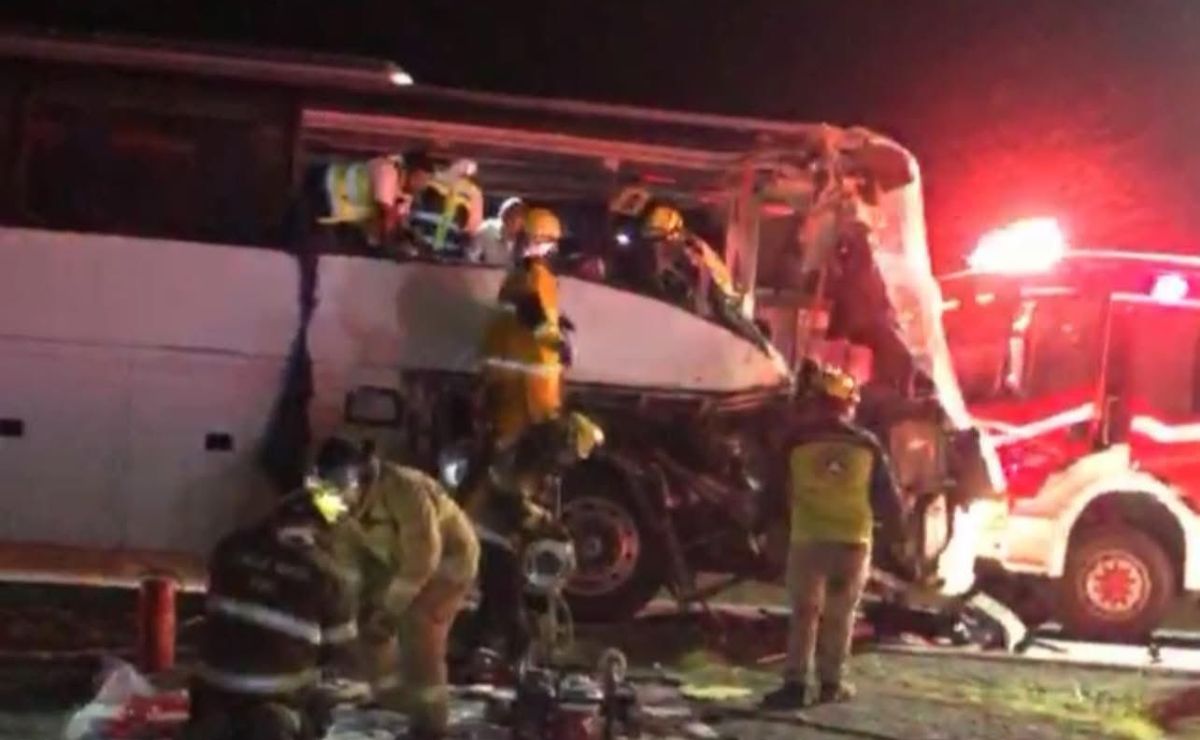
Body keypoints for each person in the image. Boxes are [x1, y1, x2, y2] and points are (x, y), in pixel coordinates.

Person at [760, 366, 907, 710]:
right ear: (847, 406)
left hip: (809, 539)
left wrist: (764, 525)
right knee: (841, 615)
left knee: (804, 614)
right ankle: (831, 683)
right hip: (853, 541)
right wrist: (899, 539)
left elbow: (773, 491)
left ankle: (795, 684)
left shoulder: (795, 443)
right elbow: (887, 496)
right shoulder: (868, 445)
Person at [320, 436, 480, 740]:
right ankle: (395, 700)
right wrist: (349, 606)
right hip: (394, 560)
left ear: (362, 476)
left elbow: (423, 556)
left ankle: (432, 725)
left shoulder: (405, 490)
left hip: (447, 562)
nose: (334, 498)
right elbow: (345, 555)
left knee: (418, 629)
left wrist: (390, 609)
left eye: (341, 485)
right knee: (367, 624)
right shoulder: (333, 499)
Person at [181, 475, 359, 740]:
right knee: (332, 693)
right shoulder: (328, 575)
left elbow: (219, 608)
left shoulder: (229, 547)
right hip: (275, 698)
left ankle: (218, 721)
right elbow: (341, 654)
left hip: (214, 690)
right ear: (323, 528)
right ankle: (284, 722)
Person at [458, 412, 604, 664]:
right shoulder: (524, 459)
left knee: (493, 604)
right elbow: (512, 502)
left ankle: (470, 651)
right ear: (567, 443)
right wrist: (545, 524)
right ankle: (518, 661)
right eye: (574, 456)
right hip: (491, 535)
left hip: (484, 532)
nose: (572, 463)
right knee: (508, 606)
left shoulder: (525, 450)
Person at [479, 207, 573, 449]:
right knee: (522, 446)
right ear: (543, 241)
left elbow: (527, 310)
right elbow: (531, 312)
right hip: (526, 378)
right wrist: (558, 343)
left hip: (513, 370)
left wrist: (557, 321)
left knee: (509, 442)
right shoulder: (534, 274)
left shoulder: (522, 273)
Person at [306, 150, 435, 249]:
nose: (423, 185)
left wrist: (411, 237)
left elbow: (395, 226)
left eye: (426, 181)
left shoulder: (405, 197)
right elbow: (386, 218)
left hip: (327, 211)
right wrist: (396, 236)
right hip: (319, 186)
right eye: (421, 179)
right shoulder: (387, 171)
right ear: (409, 171)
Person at [408, 158, 485, 259]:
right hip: (419, 253)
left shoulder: (472, 192)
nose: (468, 169)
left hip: (449, 256)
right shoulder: (428, 183)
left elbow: (472, 228)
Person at [469, 196, 526, 266]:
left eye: (519, 219)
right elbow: (471, 259)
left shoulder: (529, 238)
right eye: (510, 217)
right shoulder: (487, 230)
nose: (513, 222)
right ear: (502, 217)